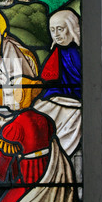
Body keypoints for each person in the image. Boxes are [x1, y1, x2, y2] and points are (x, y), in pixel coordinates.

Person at [34, 8, 81, 156]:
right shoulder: (57, 52)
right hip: (59, 97)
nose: (56, 34)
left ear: (72, 28)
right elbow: (49, 81)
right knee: (39, 109)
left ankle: (56, 150)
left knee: (68, 115)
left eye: (60, 29)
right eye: (53, 30)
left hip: (77, 100)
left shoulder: (80, 53)